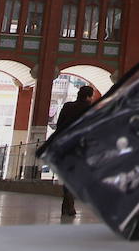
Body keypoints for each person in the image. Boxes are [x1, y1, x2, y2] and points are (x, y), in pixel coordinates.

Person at [54, 86, 97, 217]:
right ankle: (69, 205)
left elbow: (59, 125)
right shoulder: (90, 109)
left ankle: (67, 205)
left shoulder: (67, 106)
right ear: (89, 97)